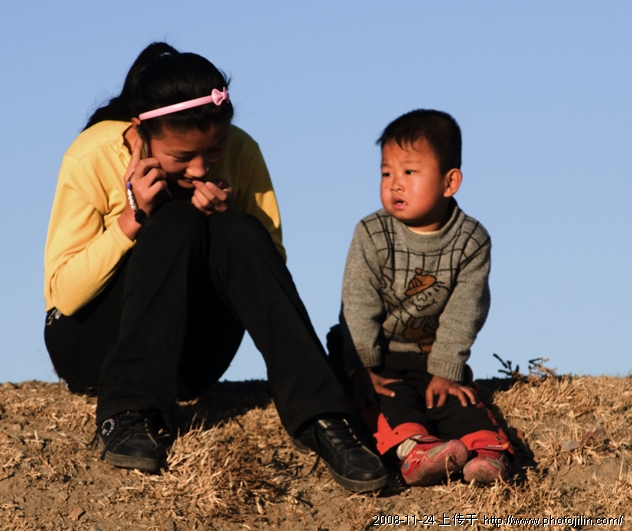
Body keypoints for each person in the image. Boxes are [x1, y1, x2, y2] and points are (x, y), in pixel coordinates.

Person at [43, 42, 387, 493]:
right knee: (176, 220)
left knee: (238, 229)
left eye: (214, 149)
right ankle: (126, 412)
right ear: (141, 132)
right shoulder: (92, 155)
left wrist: (225, 219)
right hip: (91, 347)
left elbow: (268, 273)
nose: (200, 168)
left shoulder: (243, 151)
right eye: (182, 157)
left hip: (192, 358)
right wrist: (133, 219)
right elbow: (64, 295)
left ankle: (323, 416)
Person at [334, 109, 513, 486]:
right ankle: (416, 450)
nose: (395, 184)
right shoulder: (372, 233)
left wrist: (446, 369)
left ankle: (486, 453)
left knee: (458, 398)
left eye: (409, 172)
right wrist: (362, 368)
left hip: (432, 353)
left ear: (450, 182)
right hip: (379, 354)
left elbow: (466, 309)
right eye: (387, 173)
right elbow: (358, 303)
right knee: (389, 399)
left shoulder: (471, 241)